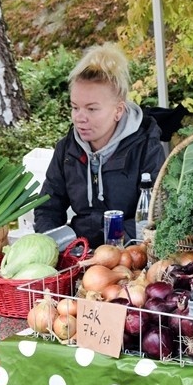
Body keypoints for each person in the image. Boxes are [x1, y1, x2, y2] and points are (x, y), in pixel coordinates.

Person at [34, 43, 166, 248]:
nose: (80, 118)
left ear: (118, 111)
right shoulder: (67, 150)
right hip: (80, 252)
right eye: (75, 107)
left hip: (132, 253)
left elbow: (155, 217)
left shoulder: (146, 147)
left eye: (91, 109)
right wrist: (53, 248)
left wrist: (109, 249)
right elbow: (47, 208)